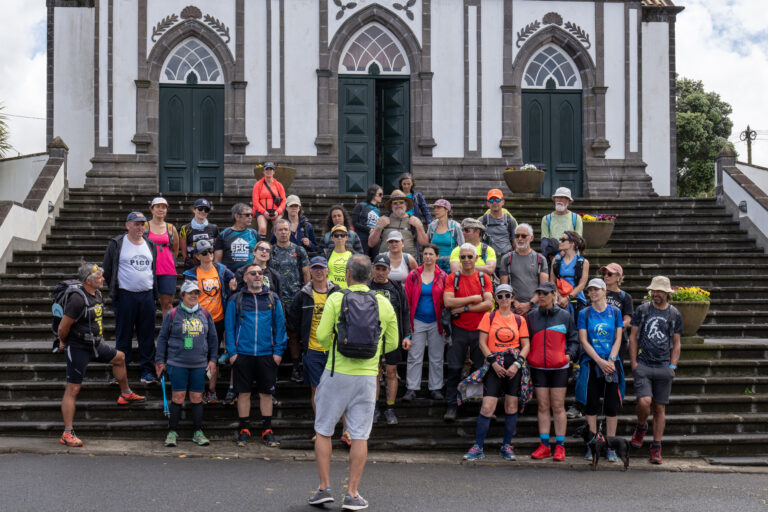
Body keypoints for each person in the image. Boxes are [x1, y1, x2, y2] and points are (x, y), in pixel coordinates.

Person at [308, 254, 399, 510]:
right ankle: (352, 493)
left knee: (324, 430)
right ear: (370, 275)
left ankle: (324, 488)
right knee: (360, 434)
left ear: (347, 274)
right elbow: (391, 343)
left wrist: (335, 348)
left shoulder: (336, 298)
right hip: (368, 377)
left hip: (337, 372)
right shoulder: (383, 302)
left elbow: (322, 335)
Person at [58, 263, 145, 447]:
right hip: (78, 347)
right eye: (99, 277)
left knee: (120, 358)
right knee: (72, 389)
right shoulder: (77, 299)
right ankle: (67, 433)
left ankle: (126, 393)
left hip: (96, 345)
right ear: (88, 280)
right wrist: (63, 341)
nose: (103, 279)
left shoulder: (96, 294)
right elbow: (63, 327)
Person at [462, 284, 530, 461]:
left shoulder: (519, 320)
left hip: (514, 364)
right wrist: (493, 363)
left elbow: (526, 344)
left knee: (511, 406)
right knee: (487, 406)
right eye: (500, 296)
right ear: (496, 299)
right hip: (495, 364)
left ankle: (506, 446)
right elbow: (482, 342)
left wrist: (517, 364)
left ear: (513, 297)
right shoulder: (489, 317)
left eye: (507, 295)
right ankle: (478, 447)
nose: (504, 299)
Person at [225, 263, 287, 448]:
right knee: (243, 393)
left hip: (267, 354)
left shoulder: (272, 298)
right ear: (245, 278)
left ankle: (267, 430)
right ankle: (244, 430)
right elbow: (229, 328)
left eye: (260, 273)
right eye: (253, 273)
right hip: (242, 353)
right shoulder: (236, 299)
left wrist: (278, 352)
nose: (257, 276)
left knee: (266, 394)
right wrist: (232, 353)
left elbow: (281, 327)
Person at [155, 281, 218, 447]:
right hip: (177, 362)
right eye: (190, 293)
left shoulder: (205, 313)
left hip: (199, 363)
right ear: (182, 295)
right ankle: (172, 432)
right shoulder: (173, 314)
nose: (193, 296)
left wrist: (213, 360)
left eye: (196, 293)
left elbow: (212, 338)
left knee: (197, 397)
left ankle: (198, 432)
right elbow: (162, 338)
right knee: (178, 397)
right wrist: (160, 360)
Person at [629, 276, 682, 465]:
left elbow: (676, 342)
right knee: (644, 402)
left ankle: (656, 446)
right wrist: (634, 362)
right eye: (654, 290)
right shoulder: (643, 310)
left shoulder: (674, 314)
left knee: (659, 407)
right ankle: (641, 426)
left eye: (660, 291)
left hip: (663, 366)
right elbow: (633, 336)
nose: (656, 294)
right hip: (644, 364)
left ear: (667, 293)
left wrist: (673, 366)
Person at [102, 211, 159, 385]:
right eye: (136, 224)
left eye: (142, 224)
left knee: (147, 336)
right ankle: (120, 372)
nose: (140, 227)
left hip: (147, 295)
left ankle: (148, 372)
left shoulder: (150, 244)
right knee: (123, 336)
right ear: (128, 225)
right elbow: (108, 269)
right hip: (125, 295)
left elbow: (152, 269)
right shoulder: (117, 243)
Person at [527, 281, 579, 462]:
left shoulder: (565, 315)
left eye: (545, 293)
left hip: (559, 367)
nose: (541, 296)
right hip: (538, 367)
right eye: (539, 293)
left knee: (557, 406)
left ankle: (560, 446)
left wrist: (569, 357)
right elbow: (525, 339)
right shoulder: (532, 316)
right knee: (542, 406)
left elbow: (574, 339)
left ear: (554, 295)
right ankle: (544, 446)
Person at [442, 243, 494, 422]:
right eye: (462, 257)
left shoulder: (483, 278)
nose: (466, 260)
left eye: (469, 257)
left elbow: (489, 304)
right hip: (459, 329)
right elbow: (448, 302)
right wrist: (473, 300)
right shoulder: (452, 278)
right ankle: (451, 405)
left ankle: (482, 406)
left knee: (481, 368)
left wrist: (463, 308)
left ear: (476, 258)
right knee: (455, 367)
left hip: (480, 330)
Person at [576, 278, 624, 462]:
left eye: (597, 290)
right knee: (592, 405)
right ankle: (592, 444)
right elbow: (583, 340)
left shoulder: (615, 312)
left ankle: (610, 446)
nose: (593, 293)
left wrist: (610, 359)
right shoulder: (585, 313)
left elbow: (618, 338)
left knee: (611, 406)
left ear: (605, 291)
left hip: (611, 363)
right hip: (592, 363)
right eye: (590, 290)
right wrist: (598, 361)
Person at [182, 239, 237, 404]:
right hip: (199, 319)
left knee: (214, 355)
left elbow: (233, 278)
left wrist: (233, 283)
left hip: (218, 319)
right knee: (195, 354)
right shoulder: (191, 274)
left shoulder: (220, 269)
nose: (209, 255)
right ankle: (196, 389)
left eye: (211, 251)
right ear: (198, 256)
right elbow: (186, 297)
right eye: (204, 253)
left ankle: (212, 391)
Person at [368, 254, 411, 425]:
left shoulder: (396, 288)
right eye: (377, 268)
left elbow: (406, 312)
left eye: (383, 269)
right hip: (372, 338)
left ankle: (390, 408)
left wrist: (407, 335)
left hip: (392, 337)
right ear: (372, 269)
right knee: (375, 373)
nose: (380, 272)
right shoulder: (367, 286)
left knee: (392, 373)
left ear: (389, 270)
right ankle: (375, 407)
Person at [403, 244, 447, 401]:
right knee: (415, 356)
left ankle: (435, 388)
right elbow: (407, 301)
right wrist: (407, 327)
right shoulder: (414, 275)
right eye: (425, 254)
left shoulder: (443, 276)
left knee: (436, 357)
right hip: (417, 321)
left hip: (436, 322)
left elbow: (446, 301)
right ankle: (412, 388)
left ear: (436, 256)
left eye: (431, 254)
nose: (428, 257)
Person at [270, 218, 311, 383]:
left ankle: (296, 367)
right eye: (280, 230)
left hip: (295, 299)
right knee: (274, 334)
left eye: (286, 229)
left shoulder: (299, 250)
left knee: (294, 335)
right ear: (274, 233)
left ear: (290, 231)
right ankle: (273, 368)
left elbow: (306, 274)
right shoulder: (270, 250)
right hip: (275, 300)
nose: (283, 232)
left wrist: (307, 294)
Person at [499, 223, 549, 315]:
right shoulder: (507, 258)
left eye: (523, 236)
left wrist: (529, 304)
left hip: (535, 309)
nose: (520, 238)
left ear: (531, 238)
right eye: (517, 236)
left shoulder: (540, 259)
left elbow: (543, 287)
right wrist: (515, 303)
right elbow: (504, 287)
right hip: (512, 308)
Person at [367, 189, 428, 258]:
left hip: (409, 263)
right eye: (395, 203)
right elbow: (371, 243)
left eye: (401, 202)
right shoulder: (382, 220)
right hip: (385, 263)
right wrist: (379, 227)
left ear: (406, 204)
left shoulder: (414, 221)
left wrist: (419, 227)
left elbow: (425, 245)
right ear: (391, 206)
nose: (398, 205)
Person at [146, 197, 180, 317]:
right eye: (158, 206)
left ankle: (167, 332)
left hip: (167, 270)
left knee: (167, 304)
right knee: (147, 304)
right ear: (152, 209)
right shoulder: (145, 226)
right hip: (148, 269)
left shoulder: (171, 228)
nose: (161, 209)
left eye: (164, 207)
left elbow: (175, 250)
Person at [551, 230, 589, 317]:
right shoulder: (556, 260)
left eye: (563, 240)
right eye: (560, 239)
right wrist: (560, 297)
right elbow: (552, 281)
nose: (559, 242)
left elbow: (582, 284)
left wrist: (568, 298)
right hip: (559, 301)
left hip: (577, 302)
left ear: (572, 243)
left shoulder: (583, 262)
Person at [601, 262, 634, 362]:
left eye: (610, 274)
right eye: (604, 274)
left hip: (618, 339)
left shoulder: (625, 297)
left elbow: (627, 320)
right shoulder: (598, 293)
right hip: (600, 336)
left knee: (616, 369)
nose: (606, 276)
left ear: (618, 277)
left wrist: (616, 330)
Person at [214, 203, 260, 274]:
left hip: (250, 275)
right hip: (229, 275)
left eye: (251, 214)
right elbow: (217, 261)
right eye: (247, 215)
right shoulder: (224, 234)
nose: (250, 217)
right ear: (237, 216)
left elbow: (259, 257)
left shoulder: (254, 234)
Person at [540, 187, 583, 261]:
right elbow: (544, 241)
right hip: (552, 258)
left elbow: (577, 240)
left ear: (569, 201)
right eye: (557, 197)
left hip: (572, 258)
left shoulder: (576, 218)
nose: (559, 200)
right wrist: (549, 255)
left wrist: (565, 253)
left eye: (562, 197)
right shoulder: (546, 219)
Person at [179, 198, 219, 271]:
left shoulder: (214, 228)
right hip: (192, 266)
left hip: (209, 265)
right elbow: (183, 251)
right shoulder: (185, 228)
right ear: (194, 210)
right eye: (200, 208)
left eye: (206, 210)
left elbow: (216, 249)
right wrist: (189, 262)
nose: (203, 211)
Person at [479, 189, 517, 264]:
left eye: (497, 200)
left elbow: (515, 242)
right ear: (487, 203)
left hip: (506, 261)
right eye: (491, 200)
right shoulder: (482, 221)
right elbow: (477, 242)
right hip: (487, 260)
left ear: (503, 202)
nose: (494, 203)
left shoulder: (510, 221)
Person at [426, 199, 463, 274]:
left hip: (451, 264)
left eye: (438, 208)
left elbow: (462, 246)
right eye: (435, 208)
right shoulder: (432, 226)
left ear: (446, 210)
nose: (435, 210)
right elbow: (427, 245)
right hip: (434, 264)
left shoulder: (456, 226)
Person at [252, 161, 287, 239]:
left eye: (270, 169)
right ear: (263, 171)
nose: (268, 171)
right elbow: (255, 201)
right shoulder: (258, 185)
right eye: (266, 169)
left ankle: (275, 247)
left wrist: (278, 212)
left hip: (275, 211)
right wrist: (264, 212)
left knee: (278, 228)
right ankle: (260, 247)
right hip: (261, 210)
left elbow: (284, 200)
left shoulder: (279, 185)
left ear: (274, 171)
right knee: (262, 228)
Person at [352, 184, 383, 258]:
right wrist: (368, 230)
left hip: (375, 239)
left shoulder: (377, 210)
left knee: (375, 260)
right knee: (363, 260)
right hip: (362, 239)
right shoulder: (360, 206)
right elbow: (354, 223)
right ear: (373, 194)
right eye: (380, 194)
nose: (382, 196)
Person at [325, 225, 354, 289]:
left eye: (342, 235)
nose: (339, 237)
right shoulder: (326, 254)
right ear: (332, 238)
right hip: (331, 290)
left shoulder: (353, 255)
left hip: (348, 291)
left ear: (346, 237)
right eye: (336, 235)